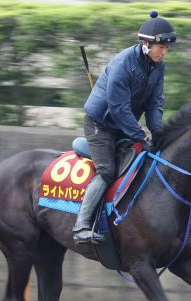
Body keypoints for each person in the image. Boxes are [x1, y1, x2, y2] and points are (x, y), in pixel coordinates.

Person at [72, 10, 177, 244]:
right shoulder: (123, 64)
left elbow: (155, 102)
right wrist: (139, 134)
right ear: (145, 43)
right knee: (108, 172)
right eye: (161, 47)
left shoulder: (158, 67)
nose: (164, 52)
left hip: (123, 125)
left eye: (167, 49)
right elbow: (118, 108)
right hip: (100, 125)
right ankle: (81, 227)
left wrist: (157, 132)